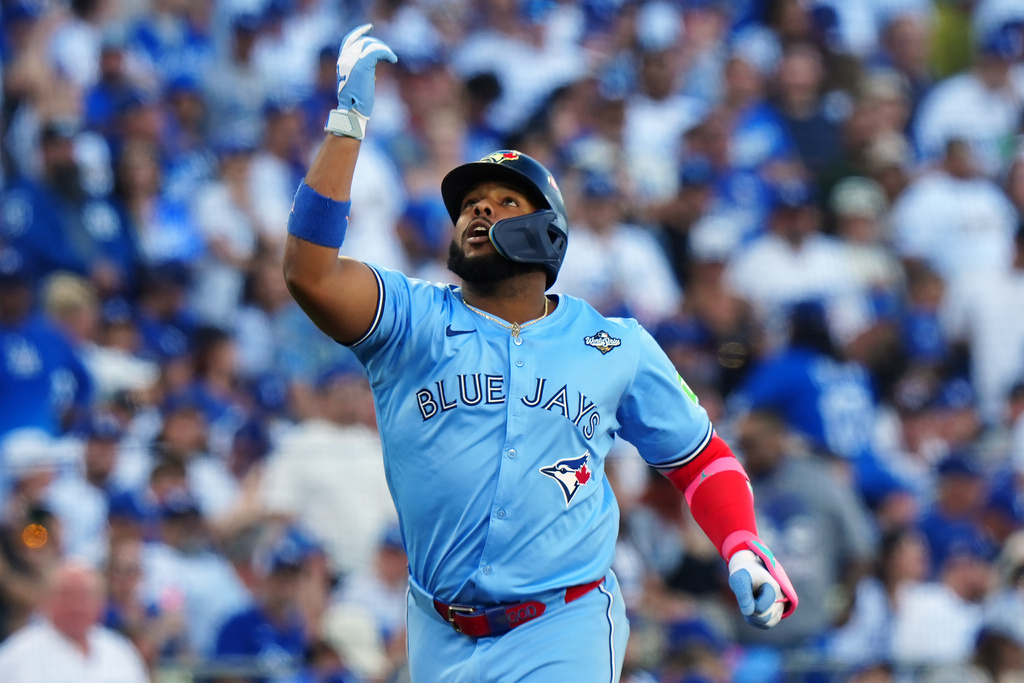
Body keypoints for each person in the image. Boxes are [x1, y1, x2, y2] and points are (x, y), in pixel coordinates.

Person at [282, 25, 798, 682]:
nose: (476, 213)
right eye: (468, 204)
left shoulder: (616, 344)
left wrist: (740, 541)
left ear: (547, 230)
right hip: (438, 628)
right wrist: (347, 124)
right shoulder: (411, 319)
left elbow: (698, 457)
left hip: (565, 622)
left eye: (500, 202)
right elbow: (309, 273)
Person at [0, 561, 149, 683]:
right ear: (45, 599)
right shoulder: (15, 656)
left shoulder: (120, 651)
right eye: (67, 595)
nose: (76, 605)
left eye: (84, 595)